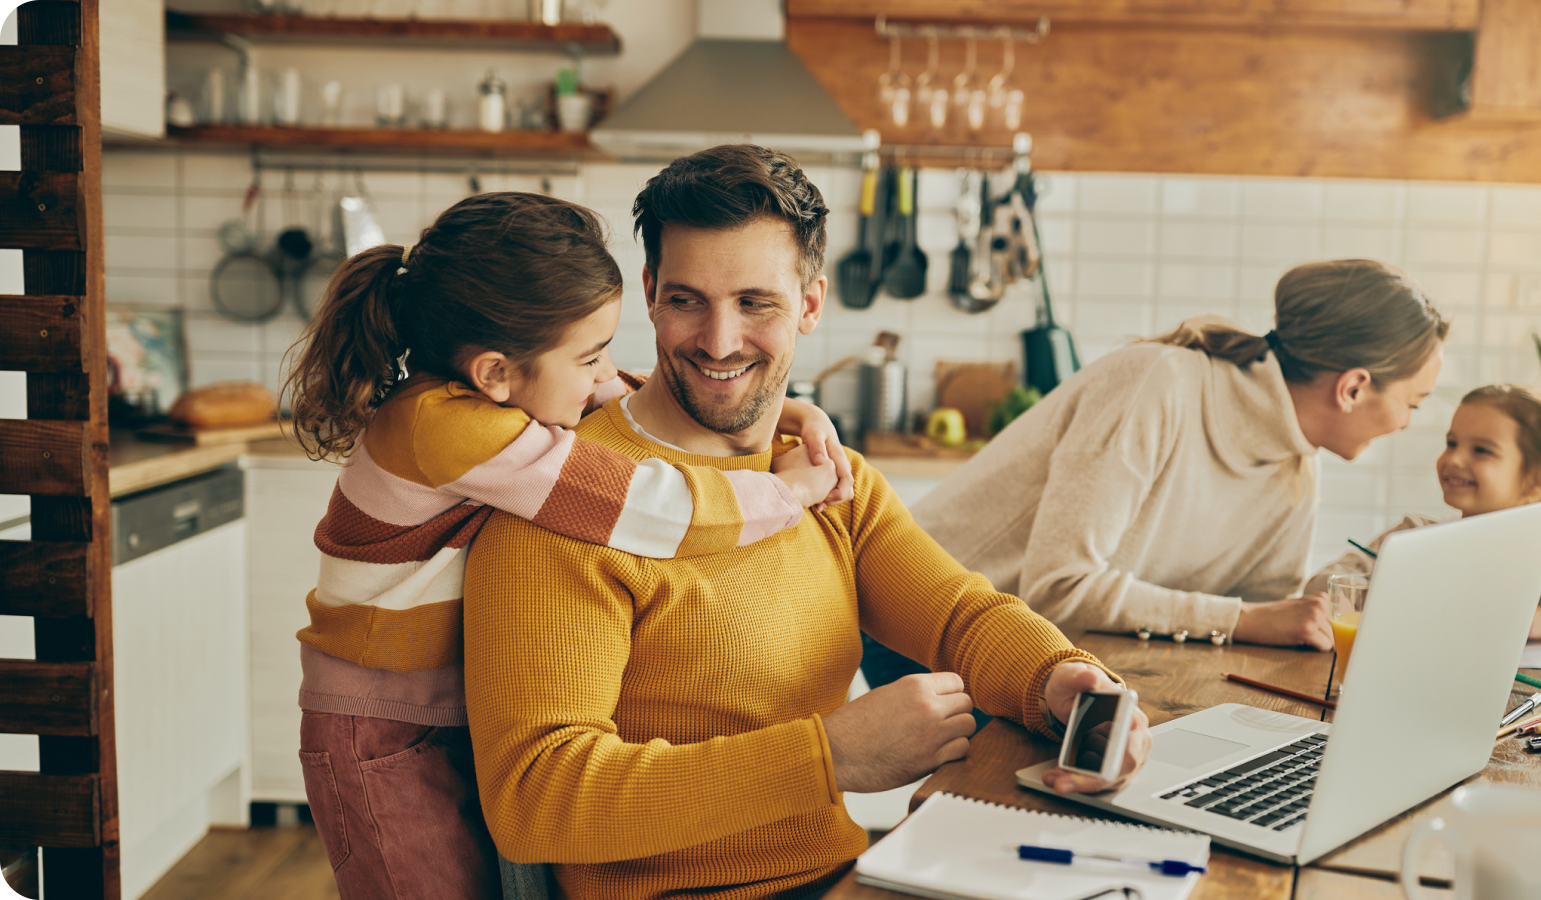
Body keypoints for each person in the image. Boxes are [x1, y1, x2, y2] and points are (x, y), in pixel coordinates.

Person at [462, 145, 1153, 900]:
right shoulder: (566, 503)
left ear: (813, 304)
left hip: (842, 879)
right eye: (688, 299)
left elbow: (960, 616)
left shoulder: (823, 476)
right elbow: (536, 800)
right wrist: (829, 757)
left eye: (755, 302)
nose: (719, 341)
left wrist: (1061, 679)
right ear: (651, 294)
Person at [280, 191, 851, 900]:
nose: (600, 374)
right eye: (589, 356)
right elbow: (647, 508)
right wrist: (784, 495)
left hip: (434, 710)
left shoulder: (487, 393)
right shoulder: (450, 429)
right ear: (496, 372)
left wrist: (779, 407)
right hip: (378, 733)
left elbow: (624, 394)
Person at [901, 259, 1448, 665]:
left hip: (1048, 641)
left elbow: (1258, 613)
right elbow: (1058, 588)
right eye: (1412, 404)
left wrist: (1363, 577)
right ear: (1353, 388)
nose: (1405, 423)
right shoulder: (1157, 383)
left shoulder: (1295, 462)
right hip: (926, 618)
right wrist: (1246, 619)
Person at [1309, 383, 1541, 644]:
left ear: (1540, 480)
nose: (1454, 459)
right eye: (1451, 443)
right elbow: (1322, 589)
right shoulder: (1414, 535)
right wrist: (1393, 596)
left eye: (1481, 450)